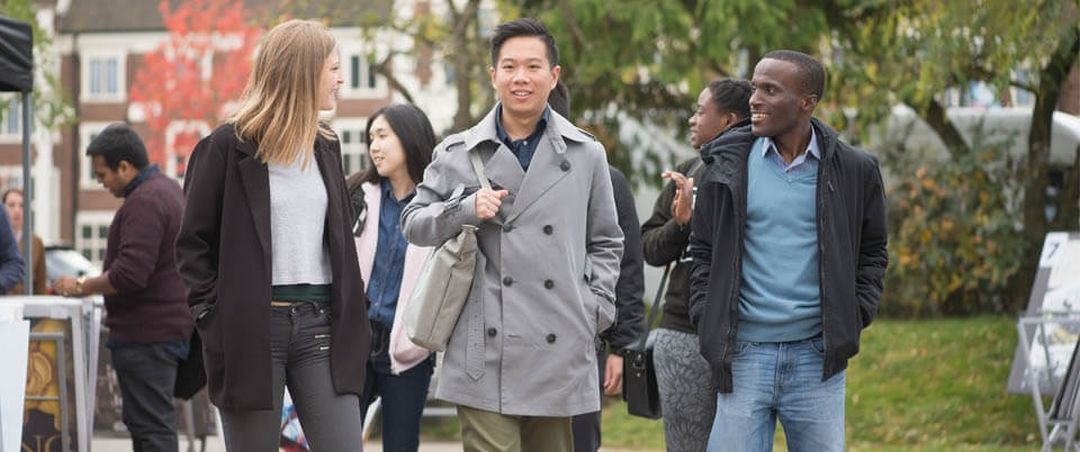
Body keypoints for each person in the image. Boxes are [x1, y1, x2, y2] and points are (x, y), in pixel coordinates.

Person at [401, 18, 624, 452]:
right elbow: (413, 222)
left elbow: (607, 241)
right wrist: (464, 209)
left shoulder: (586, 154)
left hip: (559, 343)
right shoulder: (457, 152)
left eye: (533, 66)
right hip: (483, 350)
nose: (521, 77)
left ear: (553, 75)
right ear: (493, 76)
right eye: (509, 67)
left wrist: (593, 309)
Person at [175, 19, 369, 451]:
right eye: (334, 68)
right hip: (249, 331)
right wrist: (213, 319)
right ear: (302, 73)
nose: (341, 78)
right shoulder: (225, 147)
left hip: (322, 327)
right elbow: (192, 245)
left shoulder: (326, 147)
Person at [688, 50, 888, 452]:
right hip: (742, 355)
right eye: (754, 87)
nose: (754, 99)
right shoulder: (726, 165)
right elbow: (703, 249)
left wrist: (856, 313)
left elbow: (873, 253)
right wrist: (705, 313)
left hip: (817, 359)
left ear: (807, 102)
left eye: (770, 90)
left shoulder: (854, 170)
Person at [52, 123, 191, 452]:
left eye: (103, 174)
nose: (101, 182)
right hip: (165, 333)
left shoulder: (144, 202)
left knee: (151, 431)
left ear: (125, 167)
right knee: (152, 426)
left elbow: (130, 274)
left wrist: (81, 284)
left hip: (147, 337)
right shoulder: (168, 189)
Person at [641, 78, 750, 452]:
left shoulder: (760, 174)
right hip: (683, 334)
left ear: (728, 120)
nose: (692, 119)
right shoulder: (686, 173)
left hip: (746, 335)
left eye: (701, 111)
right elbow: (651, 250)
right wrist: (682, 222)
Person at [548, 81, 646, 452]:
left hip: (579, 343)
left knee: (578, 441)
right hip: (512, 343)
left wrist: (622, 347)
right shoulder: (498, 174)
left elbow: (627, 266)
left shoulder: (603, 175)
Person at [347, 103, 436, 452]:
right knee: (337, 441)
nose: (374, 146)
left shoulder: (437, 204)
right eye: (371, 138)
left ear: (409, 137)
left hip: (410, 348)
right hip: (355, 342)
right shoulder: (356, 194)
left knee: (401, 445)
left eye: (383, 135)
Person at [3, 188, 44, 294]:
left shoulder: (36, 242)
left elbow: (40, 284)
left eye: (22, 206)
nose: (17, 210)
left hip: (24, 305)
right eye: (11, 205)